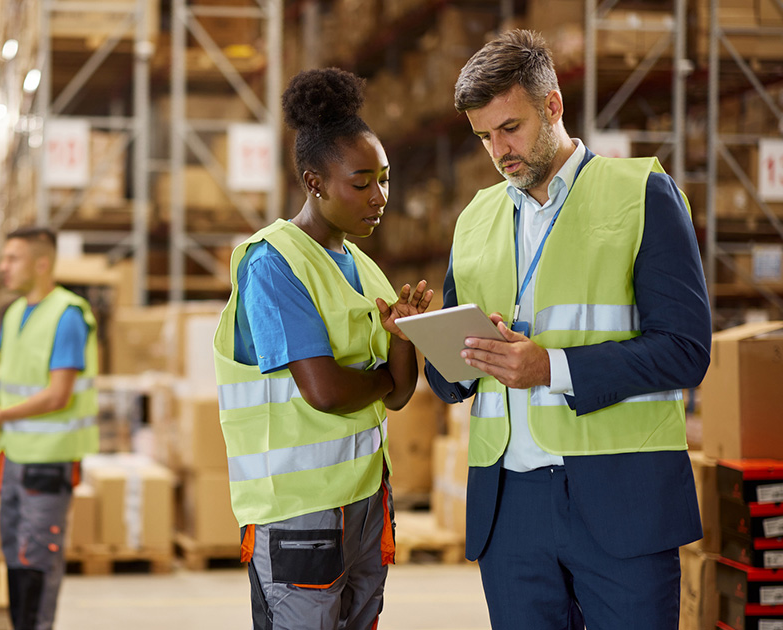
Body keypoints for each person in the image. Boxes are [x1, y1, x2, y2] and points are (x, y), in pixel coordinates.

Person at [424, 30, 710, 629]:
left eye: (511, 127)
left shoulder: (641, 195)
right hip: (510, 510)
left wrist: (550, 368)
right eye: (484, 137)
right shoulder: (475, 219)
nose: (499, 150)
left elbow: (686, 350)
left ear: (553, 105)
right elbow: (455, 385)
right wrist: (432, 338)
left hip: (620, 498)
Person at [212, 68, 433, 630]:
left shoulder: (366, 270)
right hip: (297, 516)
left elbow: (403, 393)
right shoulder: (273, 263)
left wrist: (405, 340)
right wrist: (387, 369)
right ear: (314, 182)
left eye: (385, 178)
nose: (379, 196)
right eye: (361, 182)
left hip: (362, 506)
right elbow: (327, 391)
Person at [0, 226, 97, 630]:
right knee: (14, 559)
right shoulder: (14, 313)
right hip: (13, 458)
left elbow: (59, 395)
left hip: (48, 464)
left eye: (12, 259)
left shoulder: (67, 315)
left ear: (42, 264)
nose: (3, 267)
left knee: (36, 562)